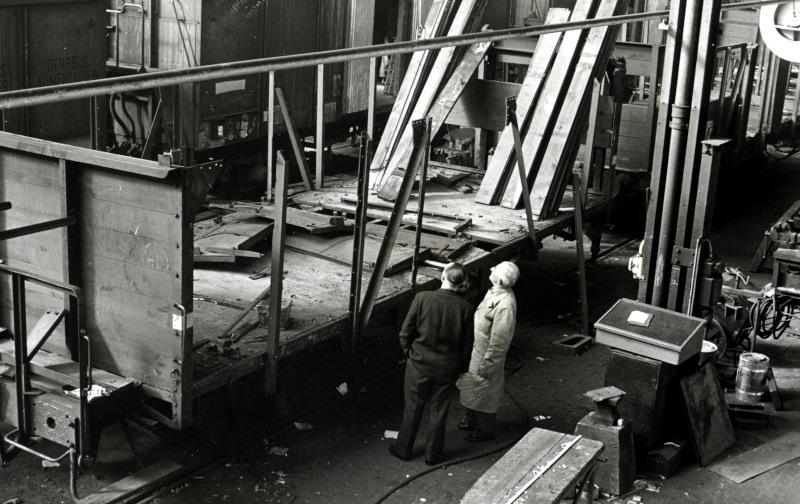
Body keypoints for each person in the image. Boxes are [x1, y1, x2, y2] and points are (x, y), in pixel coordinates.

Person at [389, 262, 474, 465]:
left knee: (413, 408)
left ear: (442, 276)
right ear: (462, 283)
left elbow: (404, 333)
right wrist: (461, 369)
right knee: (439, 411)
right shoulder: (467, 308)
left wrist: (411, 355)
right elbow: (466, 346)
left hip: (418, 364)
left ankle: (403, 449)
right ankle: (433, 455)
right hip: (446, 368)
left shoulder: (422, 298)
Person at [457, 261, 520, 442]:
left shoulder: (506, 304)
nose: (491, 272)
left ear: (500, 278)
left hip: (486, 356)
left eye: (495, 271)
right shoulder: (495, 291)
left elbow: (500, 340)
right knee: (471, 387)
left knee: (484, 393)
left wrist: (489, 363)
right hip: (477, 349)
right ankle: (471, 420)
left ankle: (485, 429)